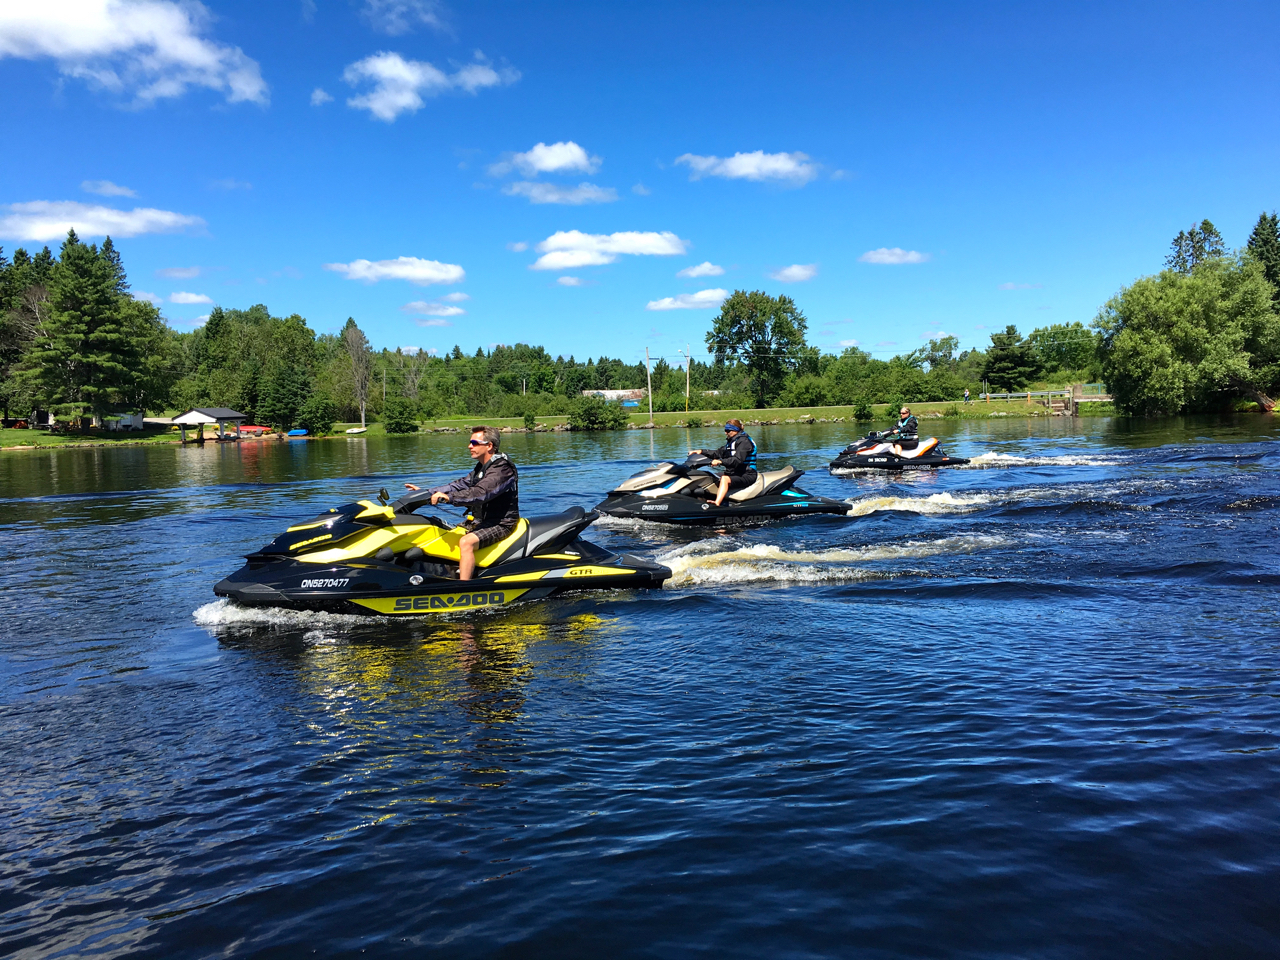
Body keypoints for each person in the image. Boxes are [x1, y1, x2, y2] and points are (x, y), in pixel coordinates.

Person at [404, 425, 518, 581]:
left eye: (474, 443)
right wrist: (426, 492)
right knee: (442, 531)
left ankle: (463, 587)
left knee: (466, 542)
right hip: (481, 521)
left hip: (500, 523)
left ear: (489, 446)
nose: (469, 446)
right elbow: (458, 485)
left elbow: (480, 493)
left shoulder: (502, 469)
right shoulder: (482, 468)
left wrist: (449, 498)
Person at [691, 418, 758, 507]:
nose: (725, 433)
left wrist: (720, 461)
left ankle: (717, 504)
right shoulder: (732, 442)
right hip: (735, 473)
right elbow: (717, 453)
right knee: (709, 477)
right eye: (725, 430)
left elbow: (737, 460)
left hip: (747, 474)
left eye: (728, 431)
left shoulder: (744, 442)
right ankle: (702, 500)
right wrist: (701, 451)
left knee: (724, 479)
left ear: (736, 430)